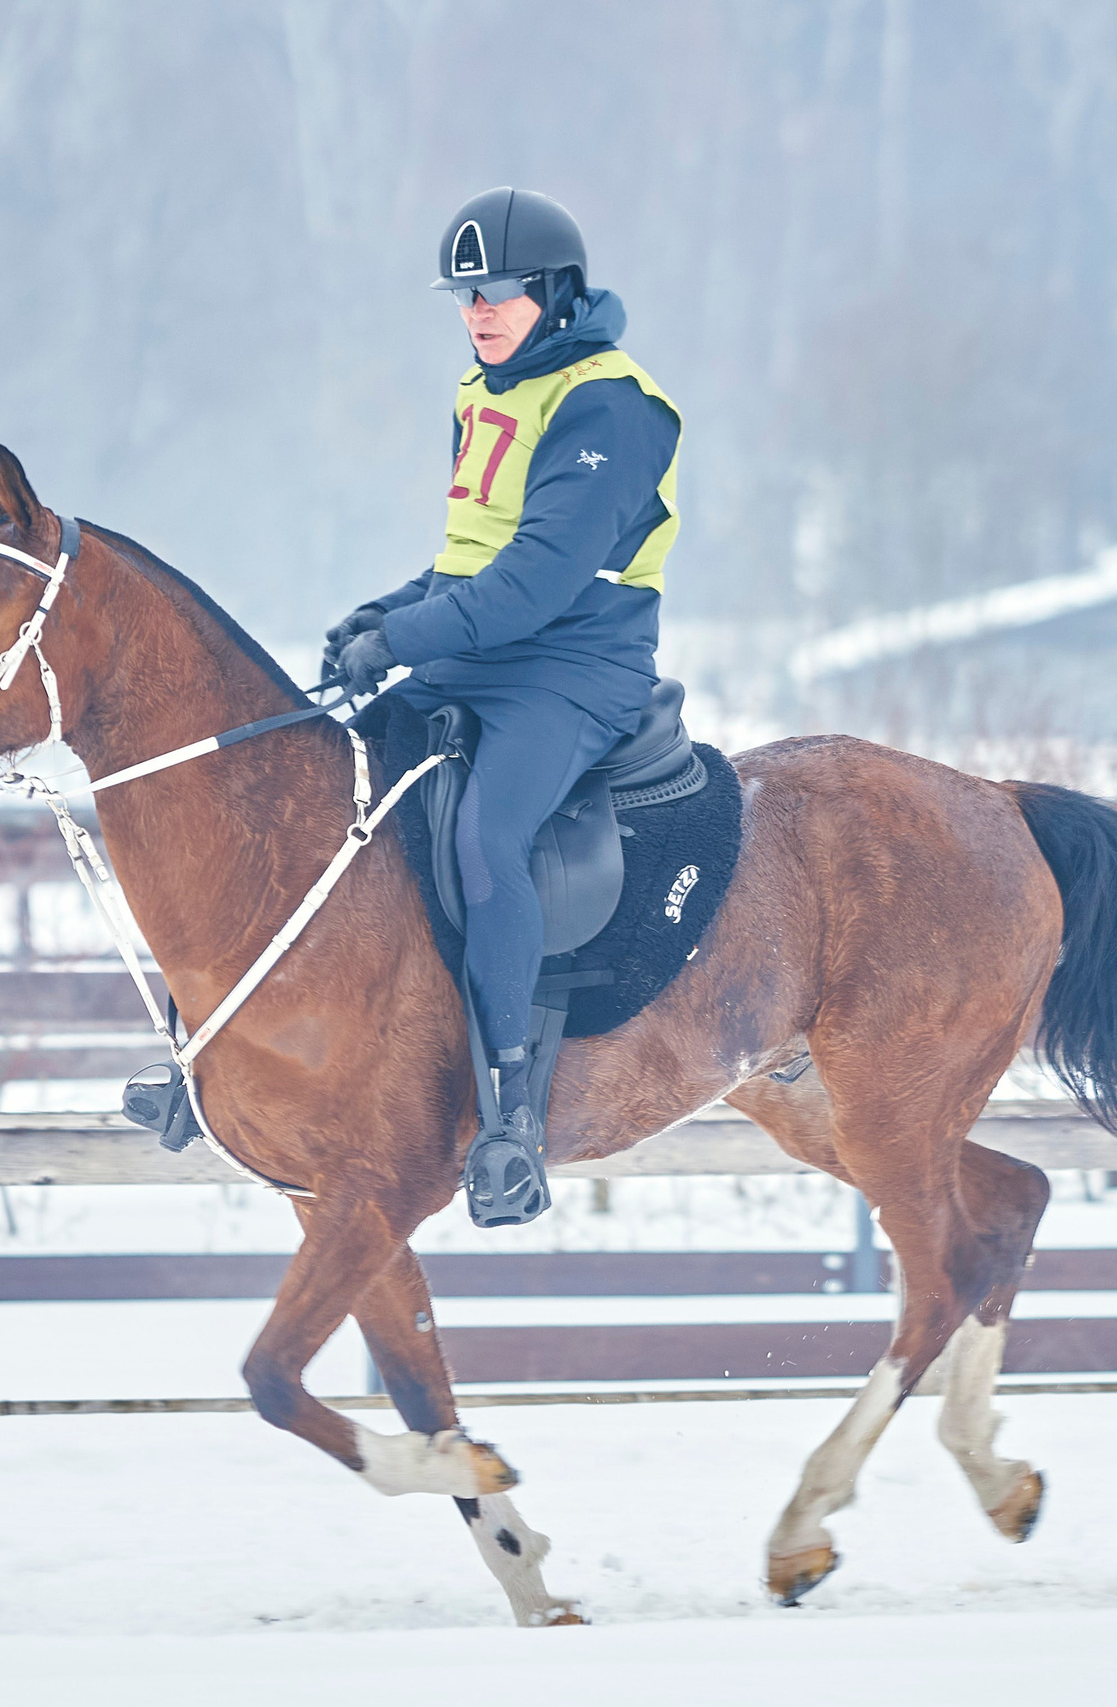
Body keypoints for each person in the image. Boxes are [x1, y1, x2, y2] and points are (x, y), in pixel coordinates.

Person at [323, 186, 683, 1227]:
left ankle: (510, 1119)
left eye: (501, 293)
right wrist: (378, 615)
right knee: (330, 791)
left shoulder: (611, 404)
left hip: (574, 666)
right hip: (485, 647)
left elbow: (537, 582)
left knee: (488, 839)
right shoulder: (483, 391)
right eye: (465, 296)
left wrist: (406, 640)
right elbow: (466, 560)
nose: (479, 312)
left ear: (556, 295)